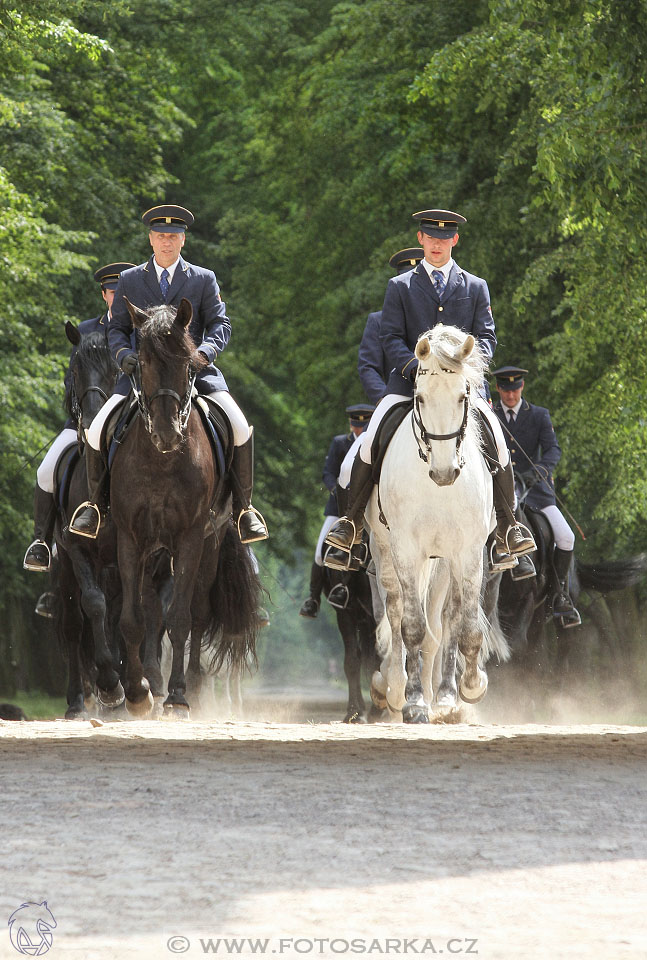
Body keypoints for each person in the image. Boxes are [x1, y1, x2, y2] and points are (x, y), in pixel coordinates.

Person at [325, 208, 535, 569]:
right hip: (409, 383)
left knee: (497, 437)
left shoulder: (474, 285)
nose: (437, 244)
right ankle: (351, 522)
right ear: (421, 239)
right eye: (431, 238)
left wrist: (465, 369)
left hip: (460, 387)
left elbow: (486, 336)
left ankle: (507, 526)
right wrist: (414, 368)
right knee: (373, 435)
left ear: (454, 240)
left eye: (444, 239)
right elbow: (390, 336)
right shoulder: (400, 286)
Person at [69, 205, 268, 545]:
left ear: (182, 240)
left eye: (173, 237)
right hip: (141, 376)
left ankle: (244, 510)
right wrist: (124, 356)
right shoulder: (131, 279)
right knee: (97, 427)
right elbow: (117, 328)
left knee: (239, 425)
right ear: (151, 239)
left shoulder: (203, 279)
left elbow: (221, 323)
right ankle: (95, 505)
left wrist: (203, 353)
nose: (167, 242)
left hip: (193, 372)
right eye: (161, 236)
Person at [23, 262, 135, 572]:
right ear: (104, 295)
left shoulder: (140, 331)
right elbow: (73, 379)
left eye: (124, 293)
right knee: (46, 472)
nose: (118, 297)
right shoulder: (86, 331)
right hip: (84, 421)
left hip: (128, 425)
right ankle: (42, 543)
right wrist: (83, 414)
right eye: (113, 292)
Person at [493, 365, 581, 627]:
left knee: (566, 537)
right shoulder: (489, 415)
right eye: (506, 390)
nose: (511, 396)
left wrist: (535, 473)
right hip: (499, 491)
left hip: (536, 493)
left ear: (522, 387)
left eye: (515, 389)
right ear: (498, 389)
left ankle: (560, 596)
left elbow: (553, 451)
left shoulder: (539, 415)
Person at [299, 404, 374, 618]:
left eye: (363, 426)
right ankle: (313, 599)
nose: (359, 430)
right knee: (320, 553)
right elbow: (328, 473)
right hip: (338, 507)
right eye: (355, 425)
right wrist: (336, 490)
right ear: (350, 424)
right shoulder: (340, 443)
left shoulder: (374, 444)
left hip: (368, 507)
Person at [358, 247, 423, 405]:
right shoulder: (378, 321)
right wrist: (382, 398)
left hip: (440, 395)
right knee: (372, 431)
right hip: (397, 397)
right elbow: (368, 367)